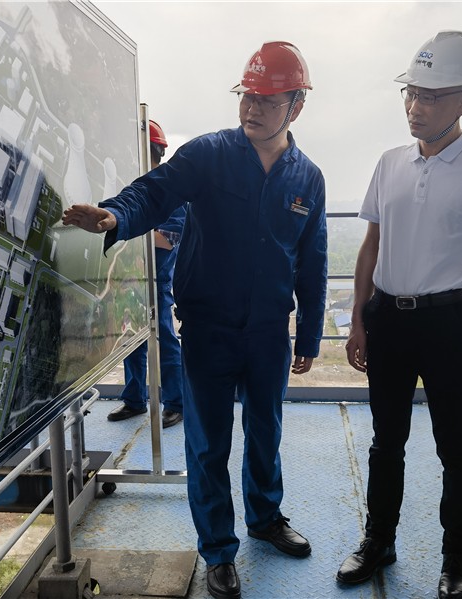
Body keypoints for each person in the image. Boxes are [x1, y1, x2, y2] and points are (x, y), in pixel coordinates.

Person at [63, 41, 327, 599]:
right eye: (247, 97)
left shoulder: (308, 178)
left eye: (268, 101)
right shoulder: (209, 154)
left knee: (266, 432)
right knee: (208, 444)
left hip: (268, 334)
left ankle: (265, 518)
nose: (253, 109)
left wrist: (308, 334)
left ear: (297, 107)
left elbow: (313, 259)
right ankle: (219, 551)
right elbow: (154, 192)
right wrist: (115, 214)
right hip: (209, 329)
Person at [337, 31, 462, 599]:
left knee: (454, 446)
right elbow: (371, 246)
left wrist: (461, 316)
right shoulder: (390, 163)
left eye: (432, 96)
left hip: (446, 322)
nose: (416, 107)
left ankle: (457, 556)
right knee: (385, 440)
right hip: (387, 318)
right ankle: (378, 540)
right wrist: (360, 318)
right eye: (411, 93)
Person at [107, 119, 186, 429]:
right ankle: (135, 399)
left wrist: (127, 227)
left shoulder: (169, 191)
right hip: (132, 279)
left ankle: (176, 403)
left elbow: (169, 238)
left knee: (164, 341)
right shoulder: (135, 190)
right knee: (131, 340)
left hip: (156, 281)